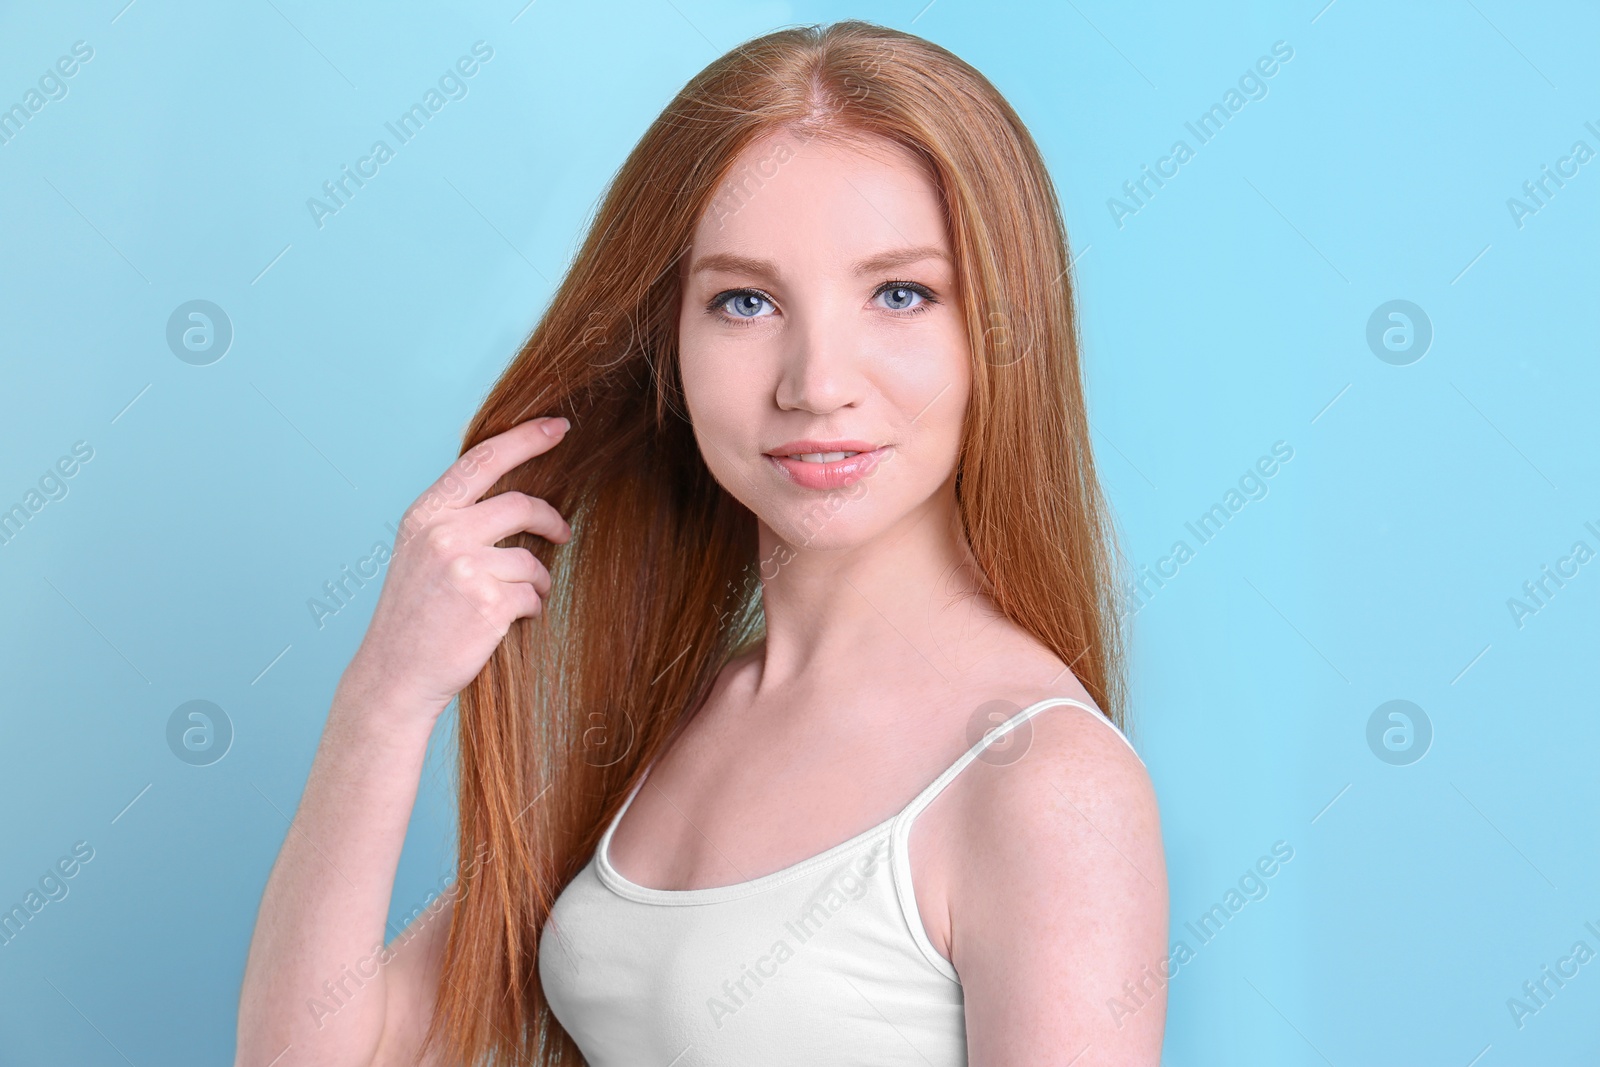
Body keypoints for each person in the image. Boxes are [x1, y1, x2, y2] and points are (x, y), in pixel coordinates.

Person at [236, 19, 1167, 1067]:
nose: (815, 382)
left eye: (900, 293)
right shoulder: (671, 719)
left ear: (1001, 329)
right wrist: (383, 697)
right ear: (667, 343)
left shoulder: (1042, 781)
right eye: (745, 300)